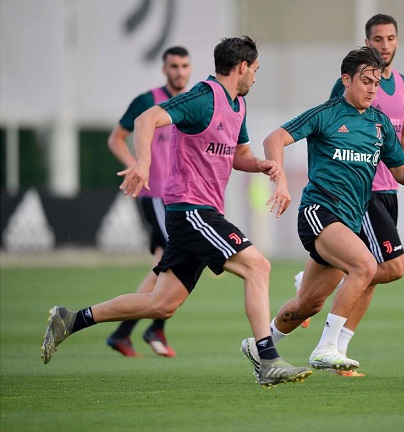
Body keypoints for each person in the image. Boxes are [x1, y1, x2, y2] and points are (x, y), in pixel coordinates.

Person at [41, 36, 313, 387]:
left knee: (161, 304)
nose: (256, 78)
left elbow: (236, 155)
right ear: (242, 67)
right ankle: (266, 359)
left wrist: (260, 164)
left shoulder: (237, 106)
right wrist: (142, 162)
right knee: (258, 266)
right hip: (189, 209)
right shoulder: (203, 96)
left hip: (202, 210)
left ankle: (71, 319)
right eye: (255, 70)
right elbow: (145, 120)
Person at [240, 46, 404, 374]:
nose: (372, 89)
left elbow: (400, 174)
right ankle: (325, 349)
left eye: (376, 84)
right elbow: (274, 139)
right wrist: (279, 181)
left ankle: (260, 347)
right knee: (365, 266)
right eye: (366, 81)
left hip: (347, 223)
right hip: (319, 212)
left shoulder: (380, 124)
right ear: (346, 79)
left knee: (308, 304)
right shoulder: (326, 113)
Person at [292, 13, 404, 377]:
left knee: (368, 275)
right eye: (377, 39)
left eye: (390, 38)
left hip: (391, 186)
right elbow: (334, 125)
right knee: (388, 266)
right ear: (367, 44)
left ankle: (338, 347)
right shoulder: (348, 87)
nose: (385, 45)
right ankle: (324, 296)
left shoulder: (403, 84)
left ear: (398, 41)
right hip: (363, 192)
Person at [106, 46, 192, 358]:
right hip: (155, 195)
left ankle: (123, 333)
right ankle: (153, 328)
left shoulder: (191, 100)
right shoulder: (148, 101)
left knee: (162, 265)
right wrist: (136, 167)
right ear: (164, 69)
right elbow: (116, 137)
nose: (179, 71)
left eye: (184, 65)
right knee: (177, 257)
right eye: (174, 66)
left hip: (179, 197)